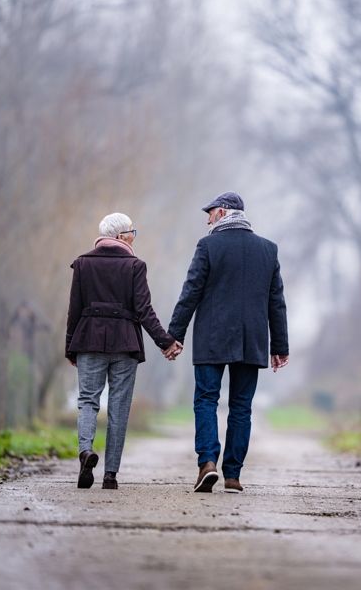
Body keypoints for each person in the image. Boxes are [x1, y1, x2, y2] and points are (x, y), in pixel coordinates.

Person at [167, 192, 289, 493]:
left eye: (210, 214)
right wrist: (279, 347)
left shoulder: (208, 246)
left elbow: (191, 292)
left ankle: (207, 462)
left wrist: (174, 335)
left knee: (206, 399)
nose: (207, 220)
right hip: (252, 340)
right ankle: (233, 475)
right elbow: (276, 302)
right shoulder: (268, 249)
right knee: (241, 407)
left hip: (212, 337)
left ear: (222, 213)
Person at [66, 212, 182, 490]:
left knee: (88, 401)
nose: (134, 236)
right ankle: (110, 475)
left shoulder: (83, 264)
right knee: (119, 407)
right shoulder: (135, 266)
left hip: (89, 340)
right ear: (121, 236)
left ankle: (85, 452)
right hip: (125, 343)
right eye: (132, 232)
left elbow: (74, 309)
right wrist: (165, 341)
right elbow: (143, 310)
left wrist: (71, 346)